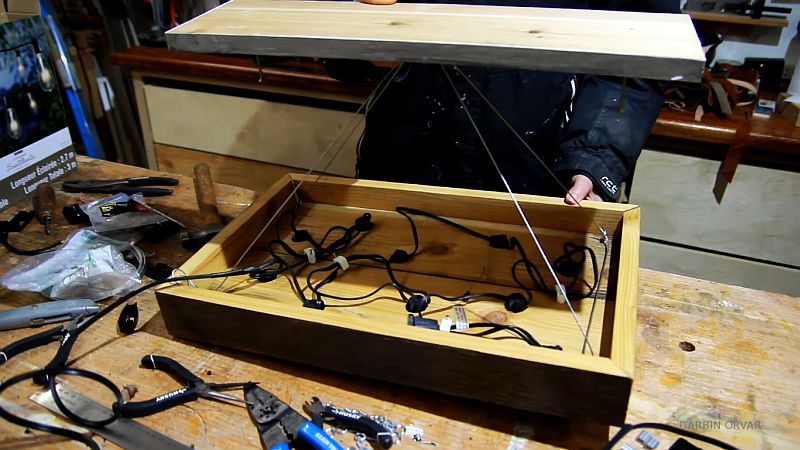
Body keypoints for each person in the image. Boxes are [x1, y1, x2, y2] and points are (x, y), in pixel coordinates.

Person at [326, 0, 679, 204]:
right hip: (399, 167)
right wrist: (360, 47)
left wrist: (593, 158)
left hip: (540, 175)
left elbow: (636, 61)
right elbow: (329, 23)